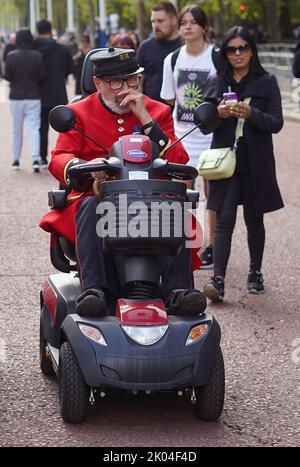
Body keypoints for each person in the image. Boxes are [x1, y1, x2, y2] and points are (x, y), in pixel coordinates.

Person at [39, 47, 206, 317]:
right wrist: (85, 168)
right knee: (91, 209)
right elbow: (60, 158)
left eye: (131, 80)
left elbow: (180, 161)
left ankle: (178, 291)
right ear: (98, 83)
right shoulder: (78, 112)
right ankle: (95, 290)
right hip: (97, 196)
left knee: (178, 211)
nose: (124, 88)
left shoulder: (157, 110)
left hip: (149, 200)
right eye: (116, 82)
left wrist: (146, 119)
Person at [202, 26, 284, 302]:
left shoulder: (267, 82)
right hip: (225, 162)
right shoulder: (217, 81)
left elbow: (276, 123)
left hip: (255, 162)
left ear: (252, 50)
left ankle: (255, 272)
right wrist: (219, 113)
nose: (238, 54)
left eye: (243, 48)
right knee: (224, 221)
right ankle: (218, 279)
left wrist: (251, 113)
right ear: (225, 53)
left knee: (254, 219)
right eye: (232, 49)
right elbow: (203, 124)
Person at [160, 4, 217, 269]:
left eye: (194, 22)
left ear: (204, 27)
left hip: (213, 138)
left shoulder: (217, 57)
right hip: (182, 136)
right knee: (183, 195)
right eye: (183, 22)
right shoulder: (171, 59)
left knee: (212, 195)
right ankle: (188, 247)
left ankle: (212, 248)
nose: (188, 26)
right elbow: (169, 99)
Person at [4, 28, 46, 172]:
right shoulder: (37, 55)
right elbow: (42, 76)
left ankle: (16, 160)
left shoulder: (11, 56)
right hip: (34, 96)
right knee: (34, 128)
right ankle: (35, 159)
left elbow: (7, 76)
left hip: (16, 96)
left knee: (16, 130)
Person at [34, 19, 74, 168]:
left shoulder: (33, 49)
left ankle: (42, 157)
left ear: (37, 31)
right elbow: (70, 69)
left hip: (38, 94)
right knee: (64, 129)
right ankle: (65, 157)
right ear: (51, 31)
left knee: (41, 128)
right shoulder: (62, 49)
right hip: (58, 93)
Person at [137, 1, 182, 102]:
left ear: (174, 20)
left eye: (160, 21)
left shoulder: (185, 46)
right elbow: (138, 82)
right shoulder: (145, 47)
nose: (155, 26)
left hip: (179, 112)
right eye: (153, 21)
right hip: (151, 112)